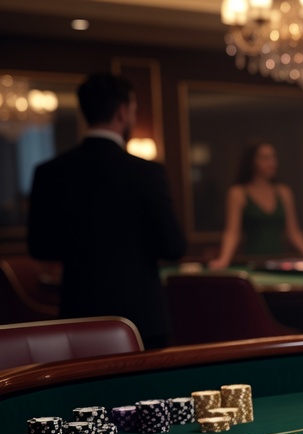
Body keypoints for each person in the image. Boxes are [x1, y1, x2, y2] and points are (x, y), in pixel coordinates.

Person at [27, 73, 185, 348]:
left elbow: (41, 247)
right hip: (141, 319)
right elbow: (173, 247)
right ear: (123, 112)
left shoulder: (50, 173)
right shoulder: (146, 172)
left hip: (78, 315)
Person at [210, 140, 303, 269]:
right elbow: (232, 232)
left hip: (279, 261)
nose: (272, 163)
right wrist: (224, 260)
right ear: (252, 161)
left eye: (273, 158)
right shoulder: (238, 193)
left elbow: (293, 232)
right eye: (265, 158)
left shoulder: (284, 192)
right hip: (252, 261)